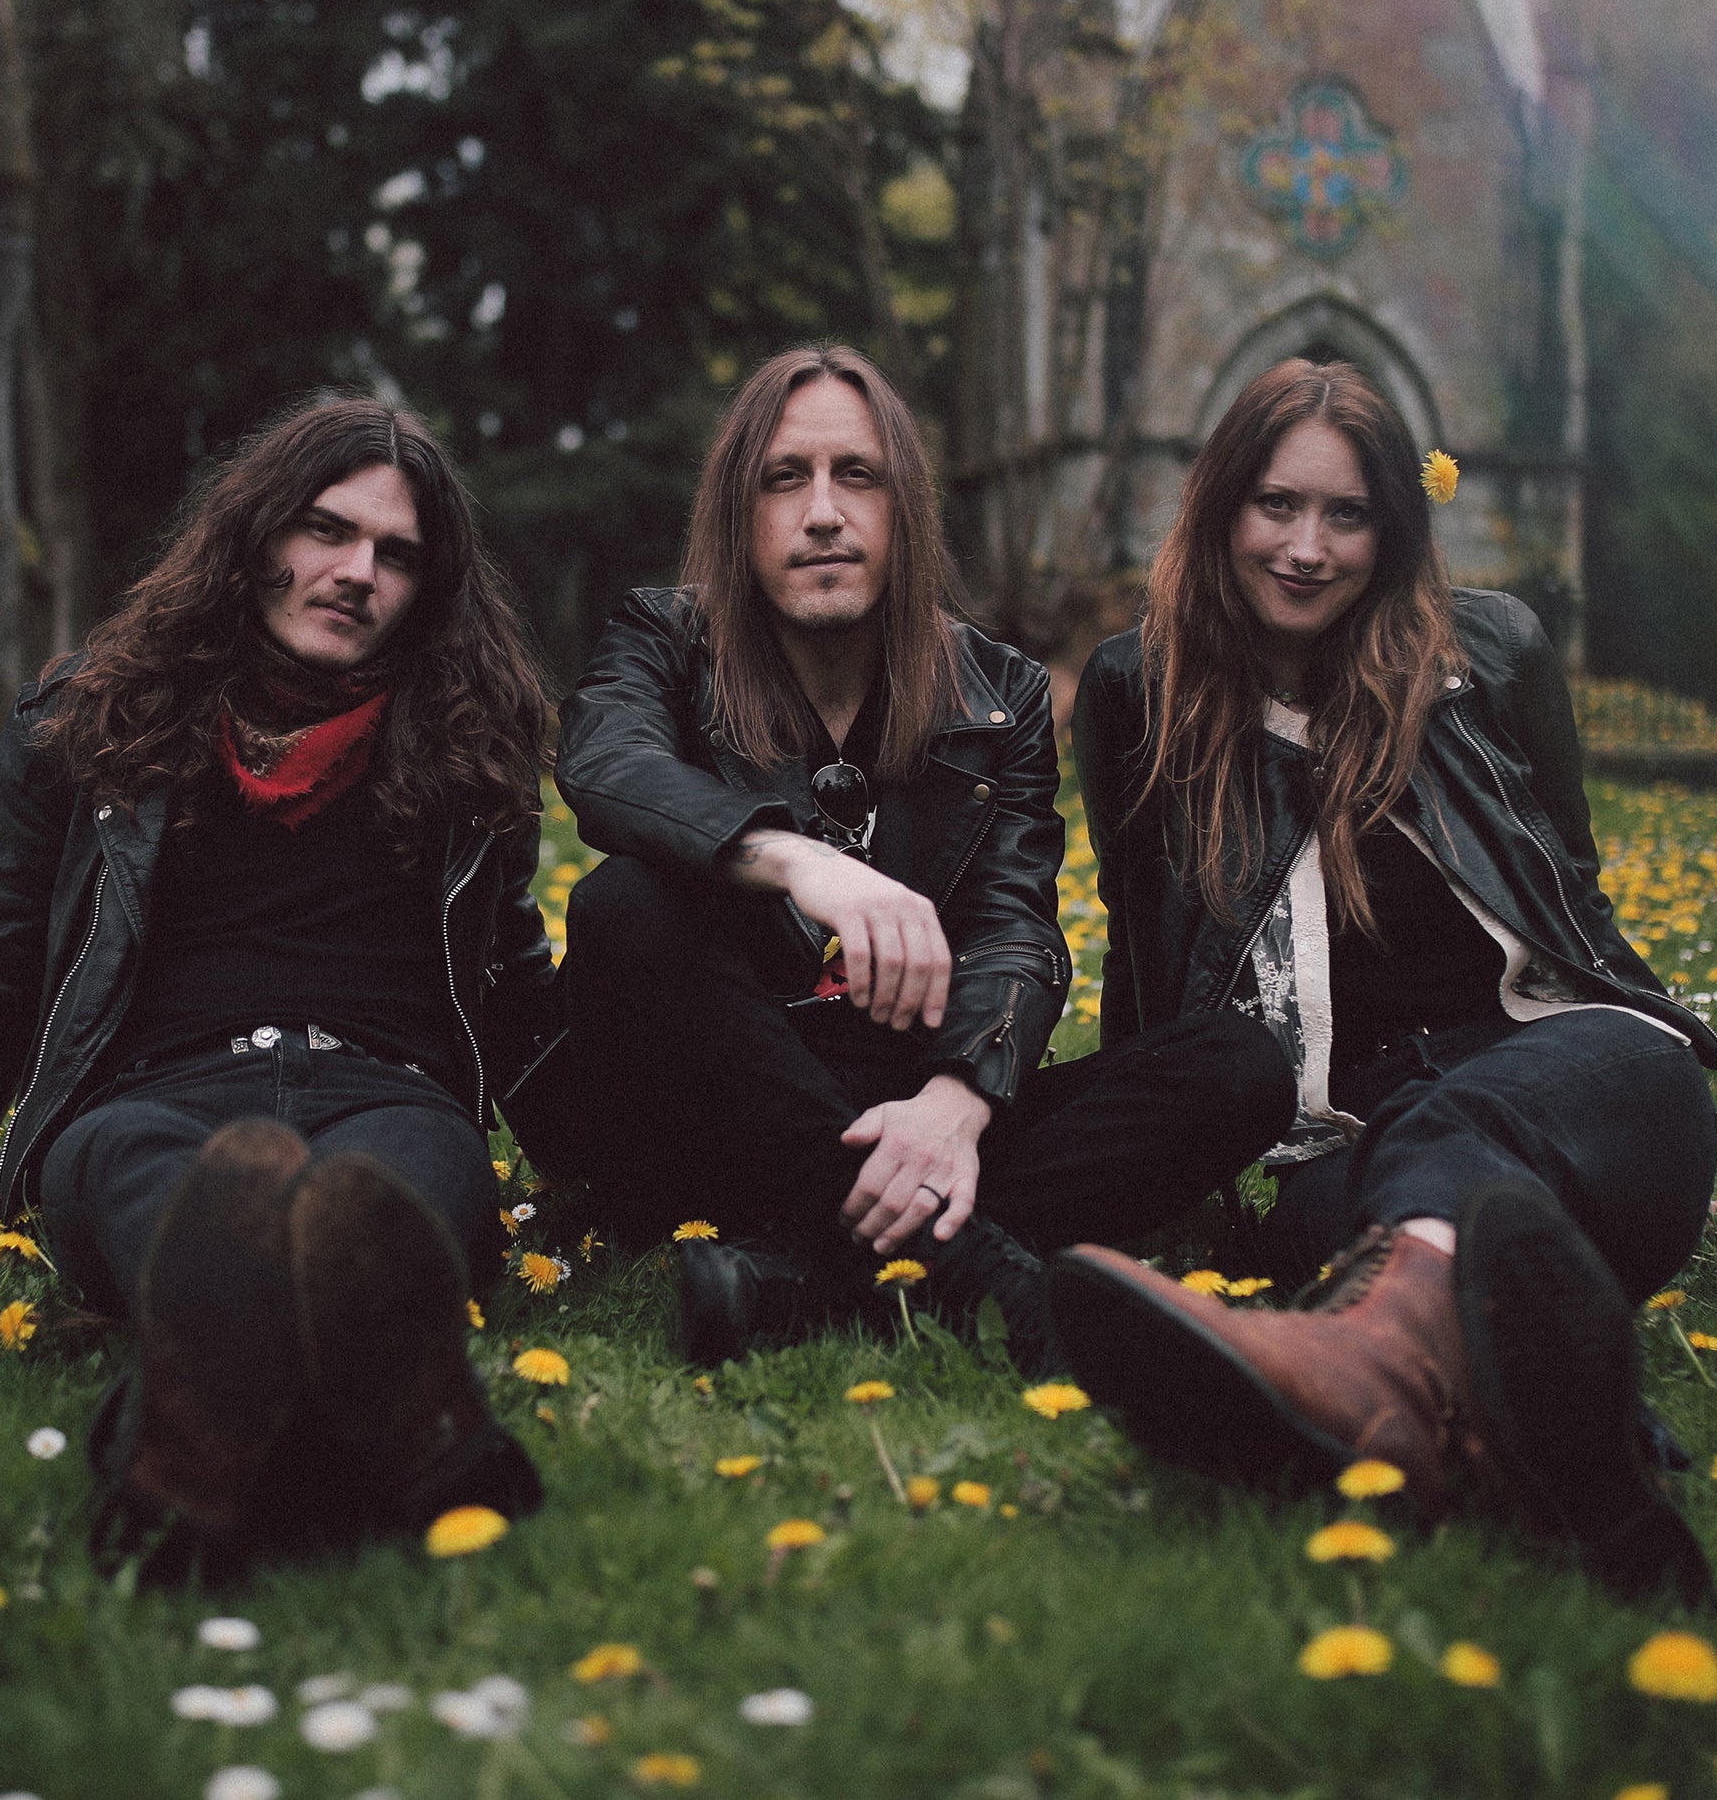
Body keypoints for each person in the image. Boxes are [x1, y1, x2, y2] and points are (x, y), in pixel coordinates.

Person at [1049, 356, 1717, 1600]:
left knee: (1623, 1070)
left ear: (1392, 527)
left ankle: (1369, 1358)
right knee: (1340, 1214)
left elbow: (1573, 892)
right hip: (1339, 1133)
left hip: (1568, 1077)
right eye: (1275, 504)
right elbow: (1141, 938)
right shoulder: (1136, 688)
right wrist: (1160, 1166)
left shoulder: (1495, 651)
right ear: (1218, 507)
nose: (1306, 547)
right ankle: (1539, 1438)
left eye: (1346, 513)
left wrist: (1604, 1031)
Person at [508, 344, 1291, 1374]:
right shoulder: (663, 637)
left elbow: (1017, 925)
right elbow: (605, 764)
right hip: (711, 1108)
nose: (823, 512)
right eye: (785, 478)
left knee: (1237, 1068)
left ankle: (798, 1277)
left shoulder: (996, 689)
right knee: (622, 907)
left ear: (903, 509)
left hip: (899, 1105)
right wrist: (794, 860)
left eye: (857, 476)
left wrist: (954, 1101)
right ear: (737, 512)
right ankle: (978, 1268)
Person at [0, 397, 555, 1563]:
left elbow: (516, 990)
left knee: (375, 1208)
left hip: (387, 1100)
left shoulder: (469, 742)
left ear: (429, 586)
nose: (355, 572)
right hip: (146, 1098)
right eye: (326, 530)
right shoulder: (92, 719)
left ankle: (188, 1441)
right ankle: (412, 1428)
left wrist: (620, 1179)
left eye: (397, 554)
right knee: (180, 1191)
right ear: (257, 537)